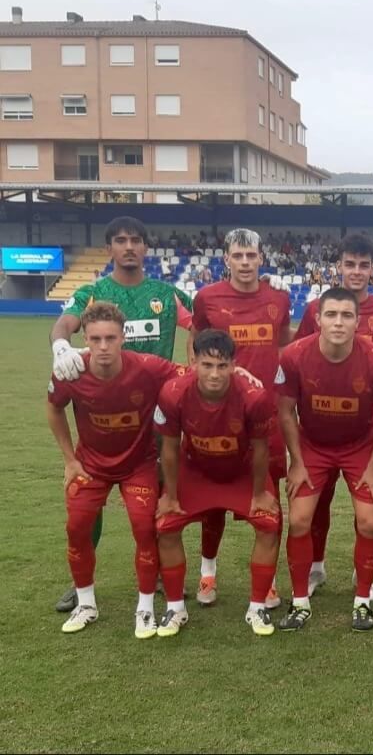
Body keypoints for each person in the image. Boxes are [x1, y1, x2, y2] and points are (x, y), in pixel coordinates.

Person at [49, 216, 193, 613]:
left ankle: (162, 573)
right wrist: (61, 346)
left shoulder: (166, 293)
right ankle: (81, 581)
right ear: (110, 247)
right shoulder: (93, 293)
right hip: (104, 415)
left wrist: (195, 359)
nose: (129, 246)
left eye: (135, 240)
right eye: (120, 240)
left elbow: (204, 321)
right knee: (87, 504)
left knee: (160, 501)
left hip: (156, 420)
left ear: (146, 247)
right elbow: (64, 324)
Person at [46, 302, 185, 638]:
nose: (103, 346)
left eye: (110, 338)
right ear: (85, 340)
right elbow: (53, 409)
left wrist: (238, 373)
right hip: (90, 466)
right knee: (77, 528)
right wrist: (69, 460)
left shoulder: (148, 367)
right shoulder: (70, 370)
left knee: (144, 528)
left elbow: (193, 375)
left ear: (123, 338)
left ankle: (145, 608)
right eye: (95, 339)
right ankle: (86, 604)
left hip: (138, 465)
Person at [294, 234, 373, 598]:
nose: (356, 271)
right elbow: (300, 354)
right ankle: (316, 567)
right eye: (350, 264)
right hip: (317, 428)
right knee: (317, 504)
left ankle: (364, 577)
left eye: (363, 265)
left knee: (366, 513)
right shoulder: (316, 309)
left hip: (364, 430)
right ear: (339, 266)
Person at [277, 288, 373, 631]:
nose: (339, 322)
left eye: (347, 315)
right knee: (299, 520)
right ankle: (300, 602)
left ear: (358, 321)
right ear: (317, 319)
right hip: (312, 446)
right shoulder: (294, 356)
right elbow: (285, 411)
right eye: (331, 314)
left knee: (369, 522)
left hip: (360, 446)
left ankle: (362, 600)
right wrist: (297, 461)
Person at [153, 329, 281, 638]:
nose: (214, 374)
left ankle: (257, 607)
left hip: (241, 470)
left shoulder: (254, 396)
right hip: (196, 469)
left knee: (269, 523)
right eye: (207, 365)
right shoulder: (173, 392)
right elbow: (169, 447)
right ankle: (175, 608)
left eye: (222, 366)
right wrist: (170, 495)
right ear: (193, 362)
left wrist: (259, 493)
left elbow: (261, 449)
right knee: (165, 525)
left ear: (234, 365)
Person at [190, 228, 292, 608]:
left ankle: (268, 581)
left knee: (269, 496)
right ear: (226, 259)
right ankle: (207, 573)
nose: (246, 262)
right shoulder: (207, 298)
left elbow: (285, 343)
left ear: (261, 258)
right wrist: (198, 387)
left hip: (267, 414)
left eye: (252, 255)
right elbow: (196, 343)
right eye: (238, 255)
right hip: (219, 413)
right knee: (213, 499)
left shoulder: (279, 297)